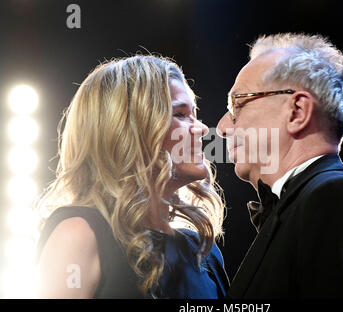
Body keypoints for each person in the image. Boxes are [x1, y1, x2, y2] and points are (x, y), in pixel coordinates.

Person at [217, 33, 343, 298]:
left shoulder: (334, 199)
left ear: (298, 112)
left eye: (237, 103)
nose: (222, 127)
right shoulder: (310, 203)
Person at [36, 55, 229, 298]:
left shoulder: (203, 252)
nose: (201, 128)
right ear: (128, 131)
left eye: (194, 113)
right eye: (180, 114)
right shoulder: (79, 233)